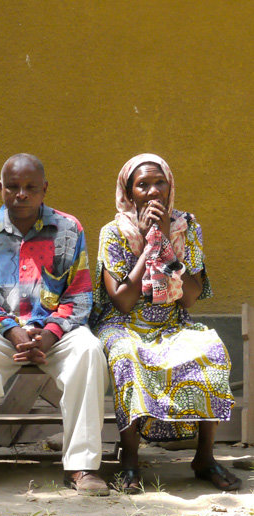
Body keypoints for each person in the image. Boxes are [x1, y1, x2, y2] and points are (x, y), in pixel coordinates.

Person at [0, 154, 108, 496]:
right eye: (13, 187)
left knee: (89, 350)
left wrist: (49, 335)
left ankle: (82, 466)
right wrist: (12, 330)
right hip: (0, 332)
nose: (21, 194)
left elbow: (79, 296)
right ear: (0, 188)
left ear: (44, 189)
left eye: (30, 187)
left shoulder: (69, 229)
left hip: (54, 332)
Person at [92, 153, 239, 492]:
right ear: (129, 193)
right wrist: (148, 246)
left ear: (170, 186)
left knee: (212, 350)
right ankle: (130, 460)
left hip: (173, 320)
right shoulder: (113, 233)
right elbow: (122, 300)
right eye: (142, 185)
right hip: (123, 323)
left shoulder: (188, 228)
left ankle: (204, 458)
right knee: (126, 355)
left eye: (160, 182)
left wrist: (167, 245)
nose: (153, 191)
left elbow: (190, 297)